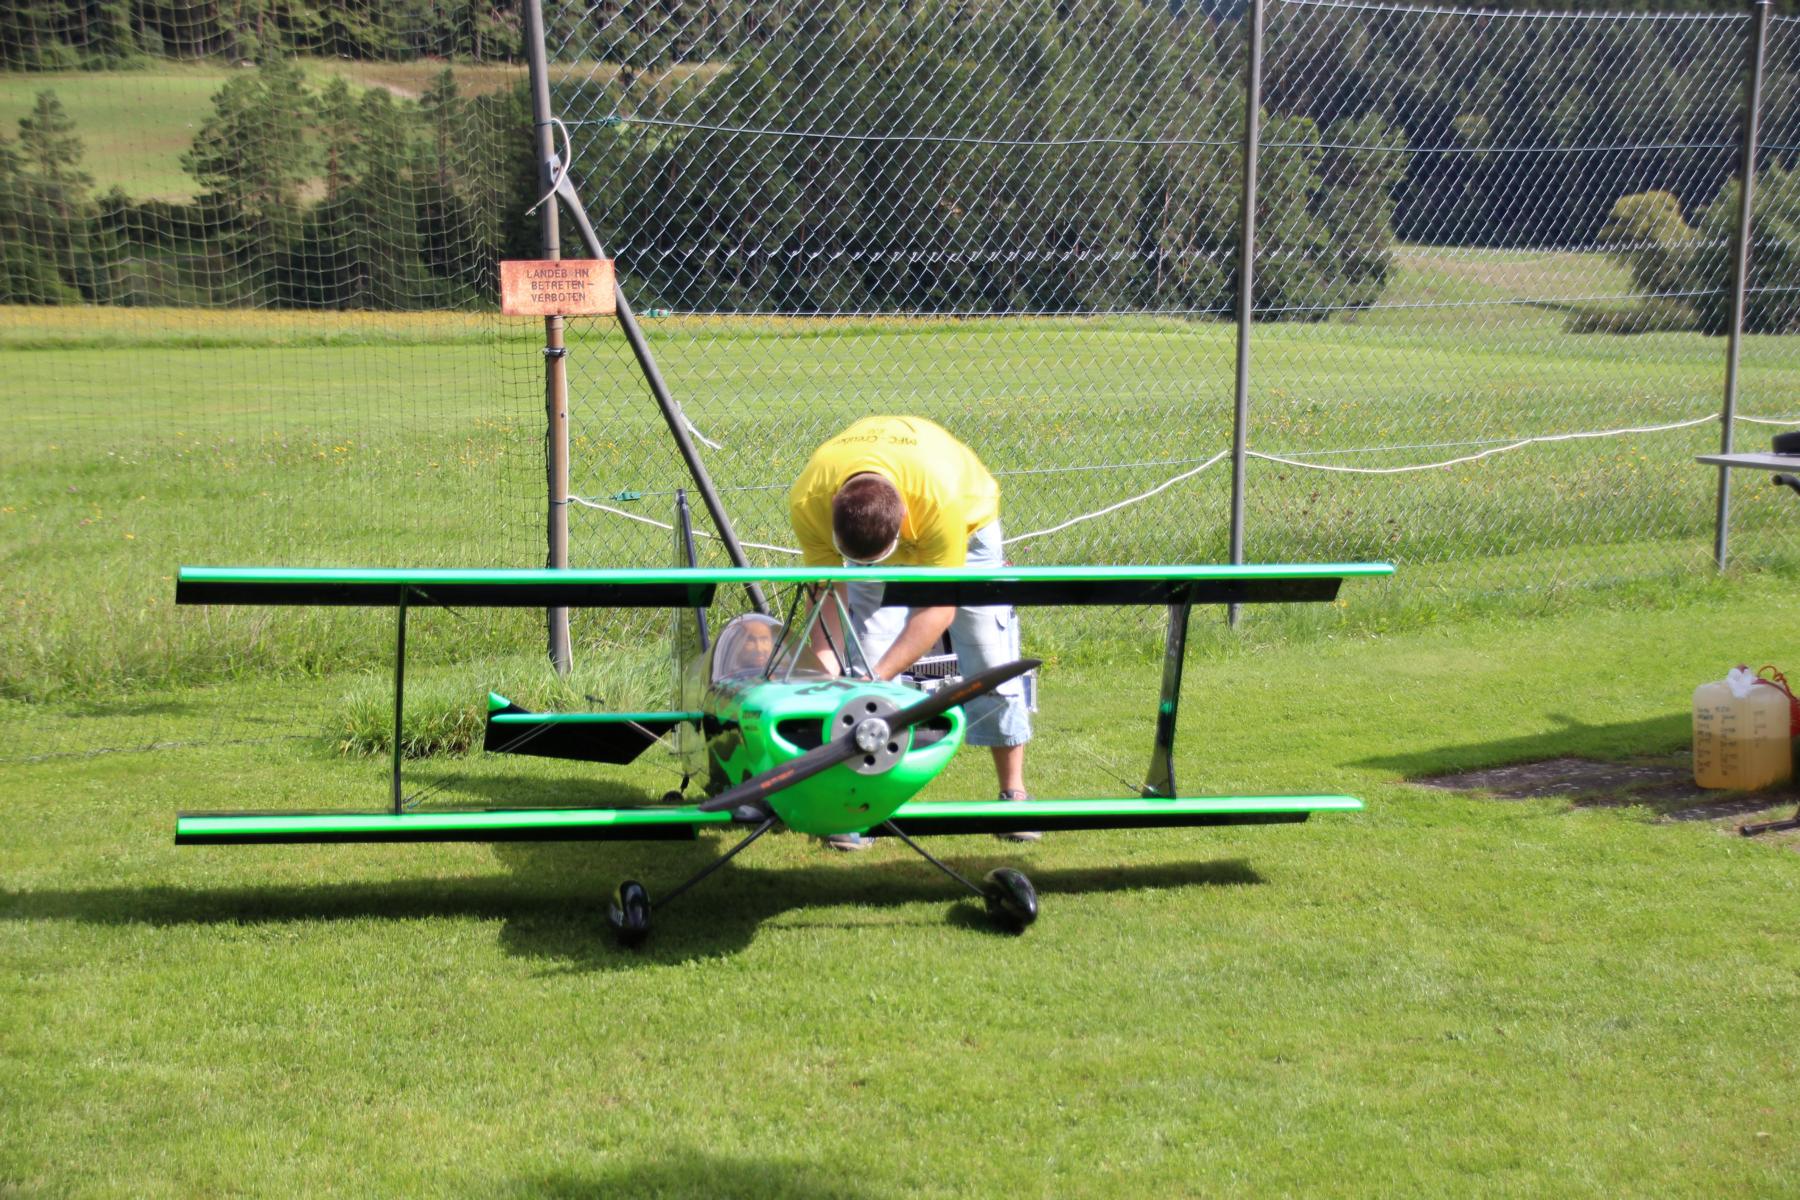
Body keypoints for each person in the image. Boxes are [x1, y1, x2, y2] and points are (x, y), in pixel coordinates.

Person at [789, 415, 1036, 850]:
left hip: (968, 528)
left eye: (878, 559)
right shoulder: (809, 501)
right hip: (888, 516)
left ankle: (1013, 796)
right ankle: (853, 807)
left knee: (989, 655)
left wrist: (879, 678)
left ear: (903, 518)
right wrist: (830, 680)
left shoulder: (940, 500)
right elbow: (826, 594)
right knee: (862, 658)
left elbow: (937, 610)